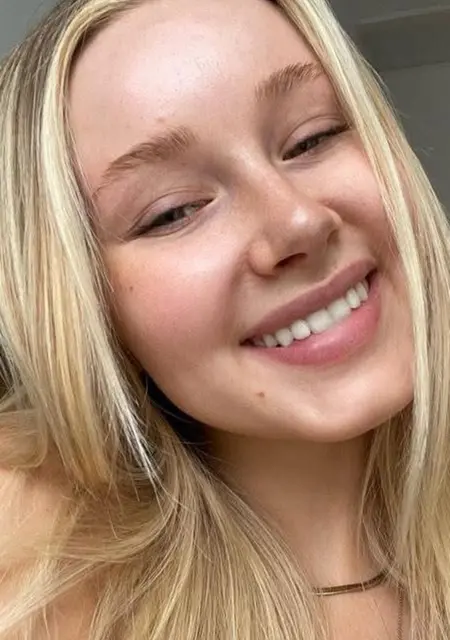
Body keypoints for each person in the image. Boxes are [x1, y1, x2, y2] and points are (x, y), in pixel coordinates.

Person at [0, 0, 449, 637]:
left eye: (313, 137)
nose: (298, 220)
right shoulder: (36, 577)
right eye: (174, 211)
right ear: (86, 307)